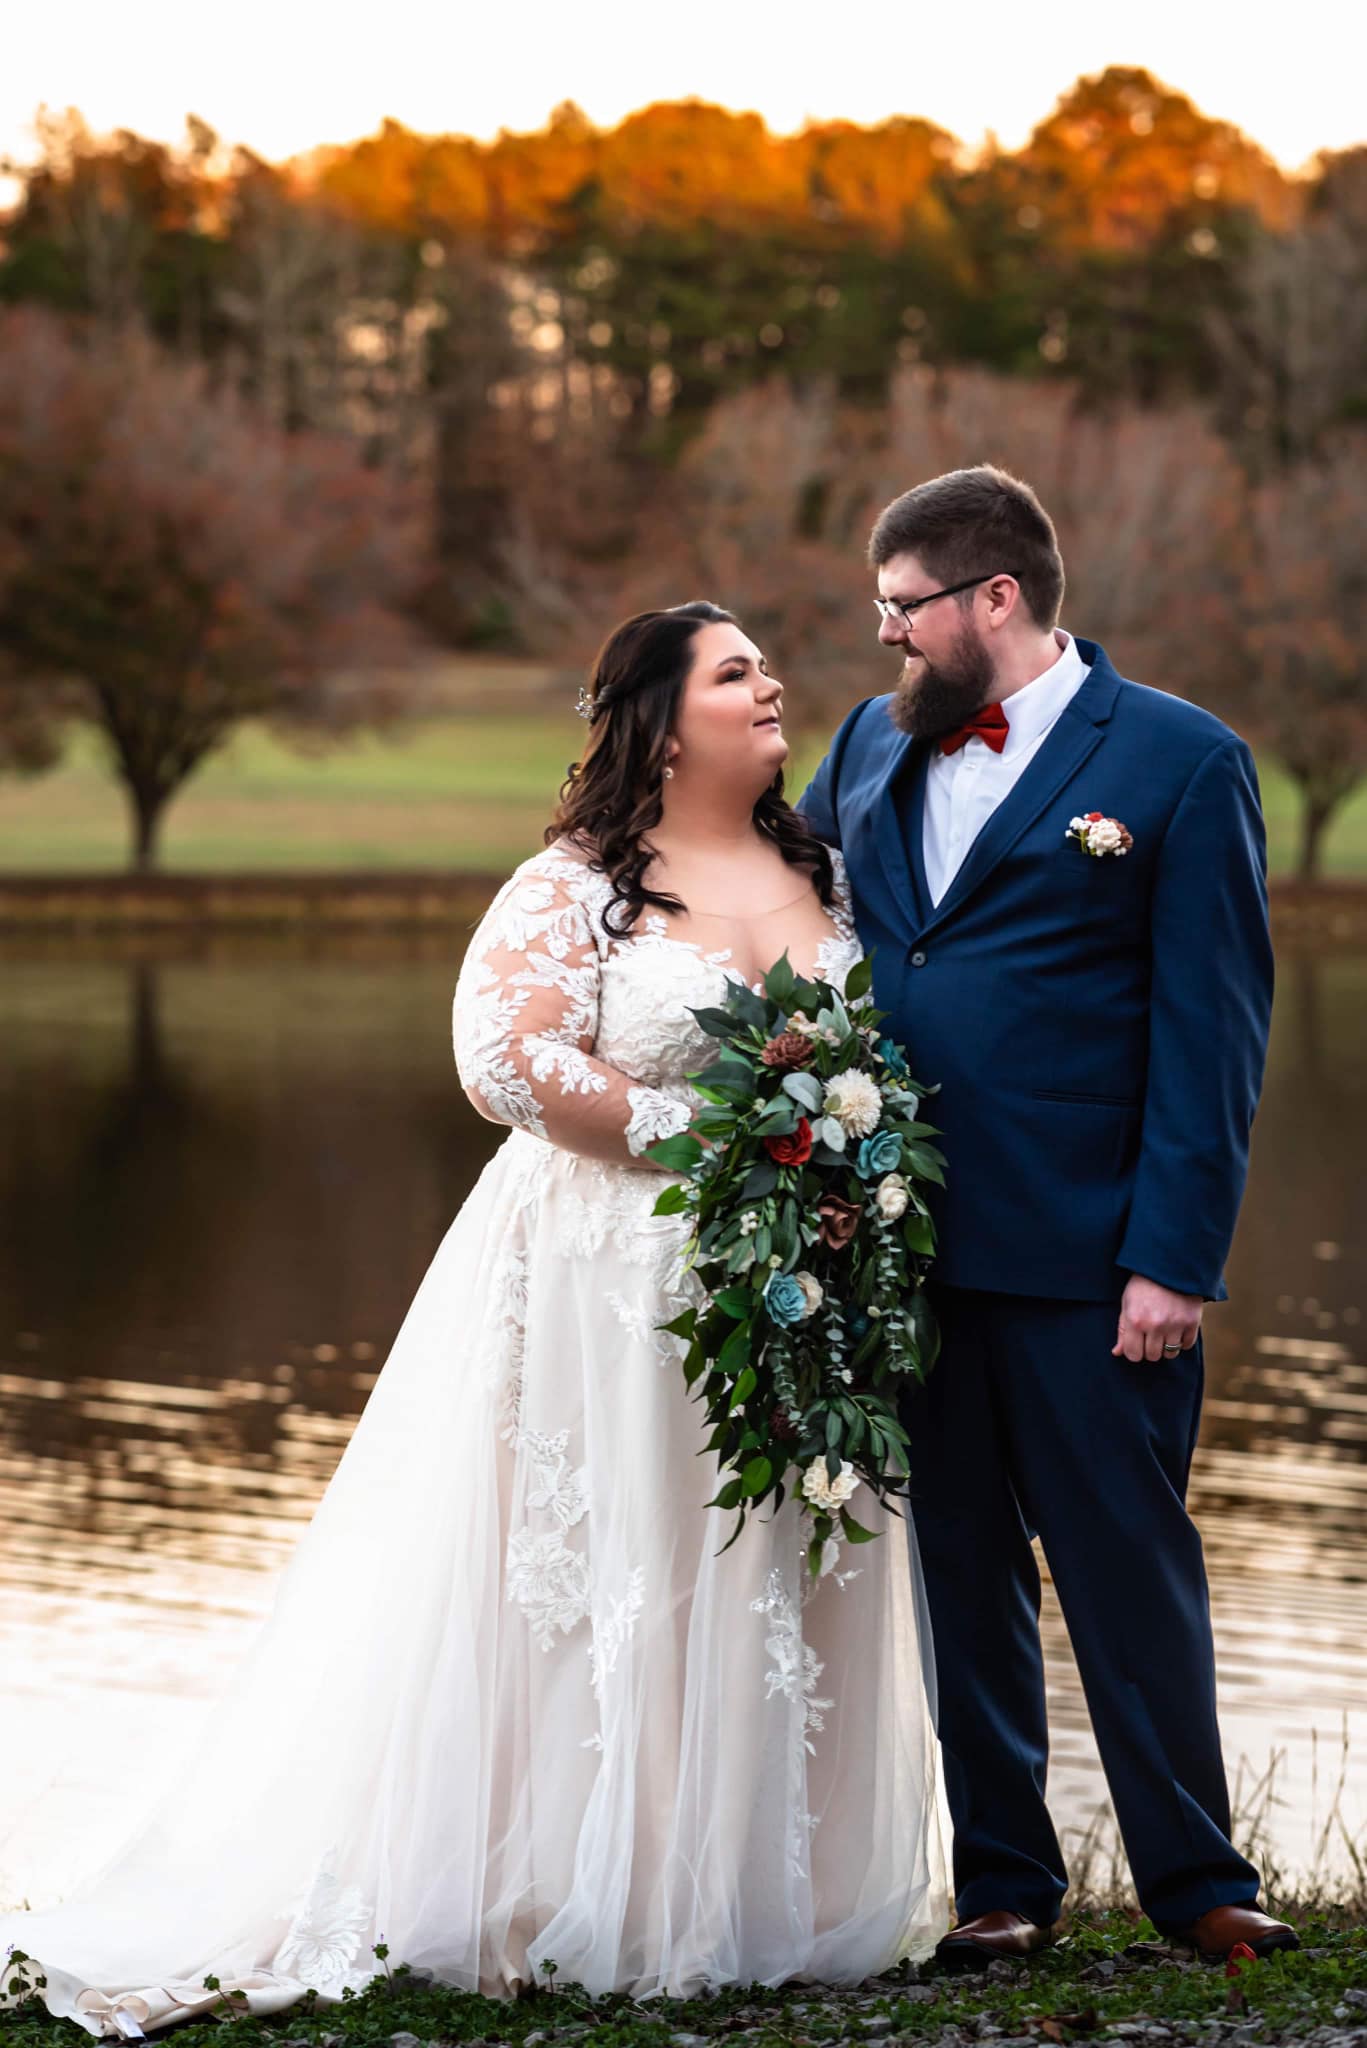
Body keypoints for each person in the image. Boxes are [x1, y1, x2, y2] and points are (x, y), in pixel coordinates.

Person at [1, 601, 947, 2041]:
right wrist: (733, 1131)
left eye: (766, 667)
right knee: (601, 1567)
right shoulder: (573, 884)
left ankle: (758, 1891)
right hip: (597, 1284)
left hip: (791, 1283)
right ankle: (567, 1883)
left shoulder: (821, 866)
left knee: (764, 1554)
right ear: (658, 716)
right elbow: (503, 1063)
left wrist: (826, 1172)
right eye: (736, 671)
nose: (773, 687)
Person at [798, 464, 1290, 1971]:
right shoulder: (870, 747)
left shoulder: (1179, 762)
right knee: (959, 1572)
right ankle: (1004, 1888)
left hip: (1094, 1258)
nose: (887, 641)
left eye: (902, 610)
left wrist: (1172, 1259)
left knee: (1129, 1568)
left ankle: (1198, 1882)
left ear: (991, 599)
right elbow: (802, 908)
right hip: (911, 1247)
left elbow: (1215, 1032)